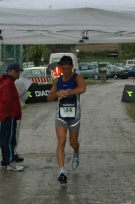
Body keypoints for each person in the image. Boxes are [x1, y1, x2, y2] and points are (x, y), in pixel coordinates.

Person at [47, 56, 86, 184]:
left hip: (74, 115)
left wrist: (67, 93)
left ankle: (76, 153)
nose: (66, 71)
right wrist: (57, 94)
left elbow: (82, 89)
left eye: (68, 68)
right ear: (60, 68)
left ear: (72, 66)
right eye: (63, 69)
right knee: (61, 140)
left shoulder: (77, 78)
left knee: (73, 143)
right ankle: (62, 171)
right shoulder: (57, 80)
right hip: (61, 115)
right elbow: (49, 98)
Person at [0, 63, 24, 171]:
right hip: (9, 115)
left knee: (5, 139)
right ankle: (9, 162)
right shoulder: (8, 83)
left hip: (6, 115)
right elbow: (7, 100)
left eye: (19, 71)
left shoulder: (7, 82)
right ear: (10, 71)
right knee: (9, 140)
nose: (18, 73)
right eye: (16, 71)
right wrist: (13, 113)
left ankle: (5, 161)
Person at [13, 77, 31, 162]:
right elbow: (25, 97)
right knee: (15, 133)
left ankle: (6, 154)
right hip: (16, 110)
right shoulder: (19, 83)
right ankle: (13, 153)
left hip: (3, 112)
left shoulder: (1, 82)